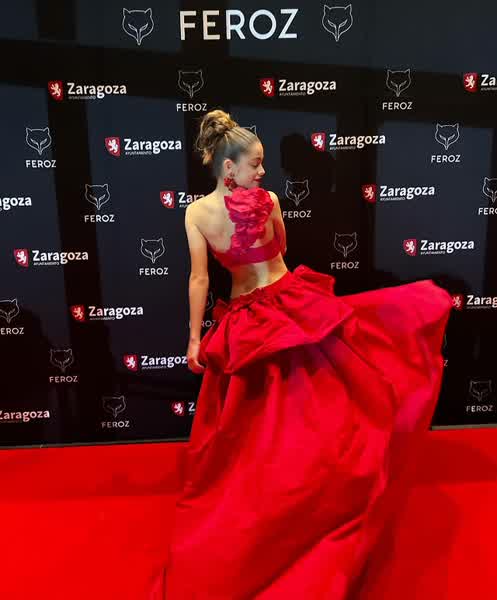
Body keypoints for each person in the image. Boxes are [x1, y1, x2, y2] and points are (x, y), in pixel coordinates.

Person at [164, 109, 453, 599]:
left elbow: (199, 279)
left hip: (246, 323)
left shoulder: (195, 214)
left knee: (261, 431)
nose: (263, 172)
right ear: (229, 167)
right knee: (313, 413)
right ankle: (312, 501)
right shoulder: (271, 201)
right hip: (290, 308)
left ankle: (288, 506)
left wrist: (195, 338)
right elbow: (280, 245)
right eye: (255, 164)